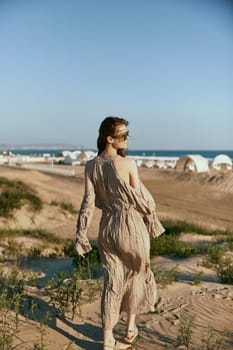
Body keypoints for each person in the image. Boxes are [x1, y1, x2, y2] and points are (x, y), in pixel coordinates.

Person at [75, 116, 165, 350]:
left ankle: (107, 341)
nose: (127, 139)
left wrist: (81, 234)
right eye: (123, 135)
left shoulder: (90, 165)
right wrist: (151, 217)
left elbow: (88, 202)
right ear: (110, 138)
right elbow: (141, 198)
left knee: (112, 283)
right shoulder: (128, 164)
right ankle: (129, 328)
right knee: (137, 274)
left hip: (107, 228)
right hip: (130, 224)